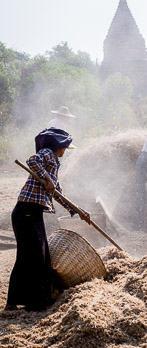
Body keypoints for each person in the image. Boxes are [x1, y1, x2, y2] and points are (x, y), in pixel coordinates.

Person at [4, 128, 90, 312]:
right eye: (64, 148)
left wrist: (78, 211)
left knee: (41, 256)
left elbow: (58, 194)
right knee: (30, 255)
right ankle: (17, 303)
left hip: (33, 213)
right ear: (57, 146)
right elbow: (32, 160)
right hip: (26, 211)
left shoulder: (54, 164)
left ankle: (34, 301)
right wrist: (45, 177)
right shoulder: (48, 154)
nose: (65, 151)